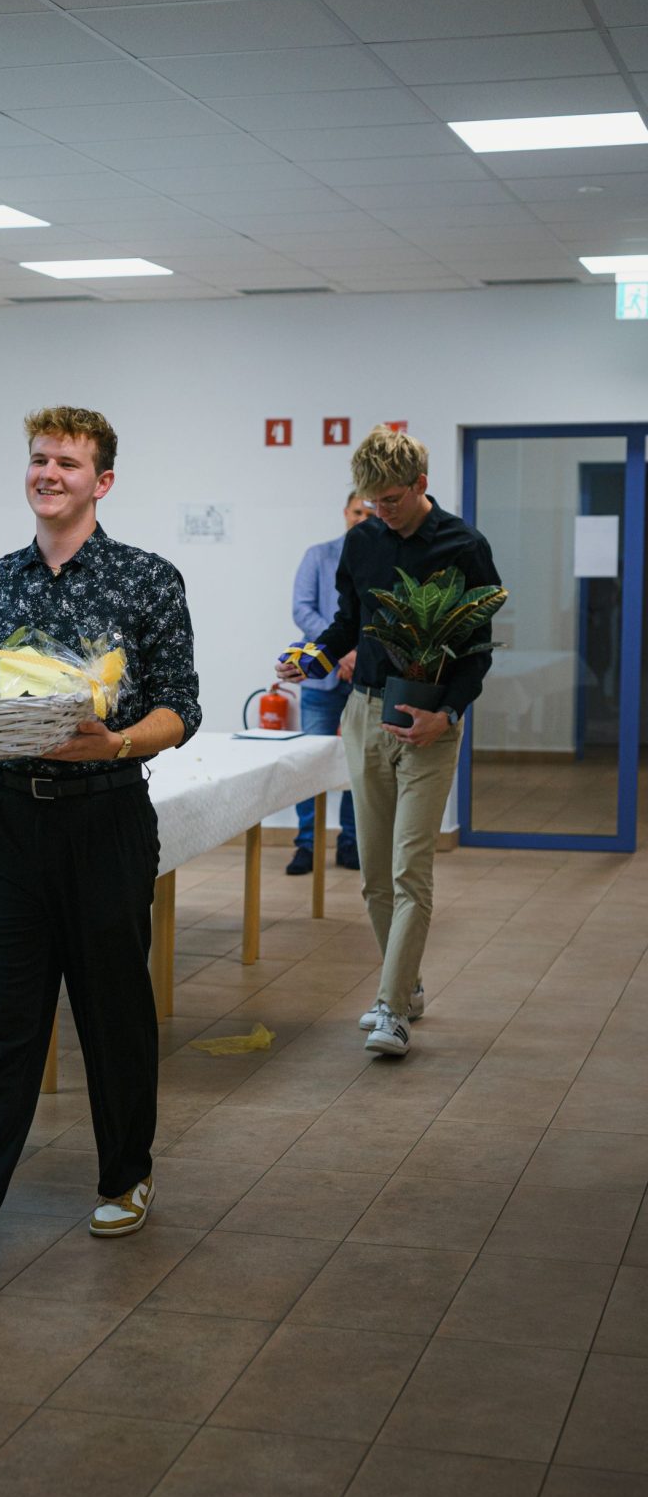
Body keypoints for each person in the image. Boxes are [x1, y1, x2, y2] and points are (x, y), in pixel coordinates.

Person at [0, 406, 201, 1284]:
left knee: (112, 1012)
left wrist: (118, 743)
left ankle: (126, 1173)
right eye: (39, 459)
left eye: (68, 462)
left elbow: (181, 705)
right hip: (7, 824)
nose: (49, 473)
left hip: (106, 818)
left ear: (103, 481)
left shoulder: (147, 579)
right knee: (2, 1024)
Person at [277, 425, 500, 1057]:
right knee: (375, 875)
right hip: (365, 715)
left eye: (393, 500)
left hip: (430, 725)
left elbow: (478, 650)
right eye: (373, 501)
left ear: (421, 484)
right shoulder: (362, 541)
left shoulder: (464, 545)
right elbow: (348, 623)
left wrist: (447, 714)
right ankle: (408, 984)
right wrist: (313, 659)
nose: (383, 511)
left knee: (409, 868)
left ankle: (392, 1008)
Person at [285, 489, 372, 877]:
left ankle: (351, 841)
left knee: (357, 763)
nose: (362, 519)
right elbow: (302, 610)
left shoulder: (382, 558)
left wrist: (358, 653)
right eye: (357, 512)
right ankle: (307, 844)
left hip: (365, 678)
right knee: (311, 763)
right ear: (345, 512)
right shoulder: (318, 555)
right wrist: (342, 652)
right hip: (320, 681)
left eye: (370, 514)